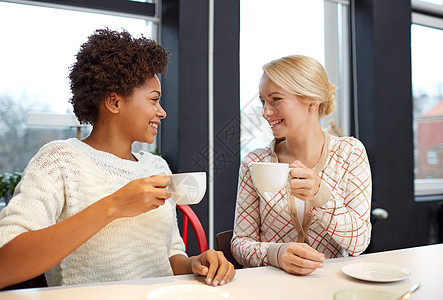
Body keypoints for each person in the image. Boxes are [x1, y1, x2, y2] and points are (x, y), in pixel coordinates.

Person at [0, 28, 235, 289]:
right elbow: (5, 265)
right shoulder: (61, 160)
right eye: (154, 100)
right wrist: (113, 206)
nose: (162, 112)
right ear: (114, 102)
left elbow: (169, 256)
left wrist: (193, 264)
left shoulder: (156, 166)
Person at [231, 55, 371, 276]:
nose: (265, 112)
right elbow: (240, 243)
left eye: (275, 99)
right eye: (263, 101)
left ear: (312, 101)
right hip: (273, 289)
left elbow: (360, 242)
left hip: (332, 286)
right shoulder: (254, 163)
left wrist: (322, 197)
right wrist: (275, 254)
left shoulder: (350, 153)